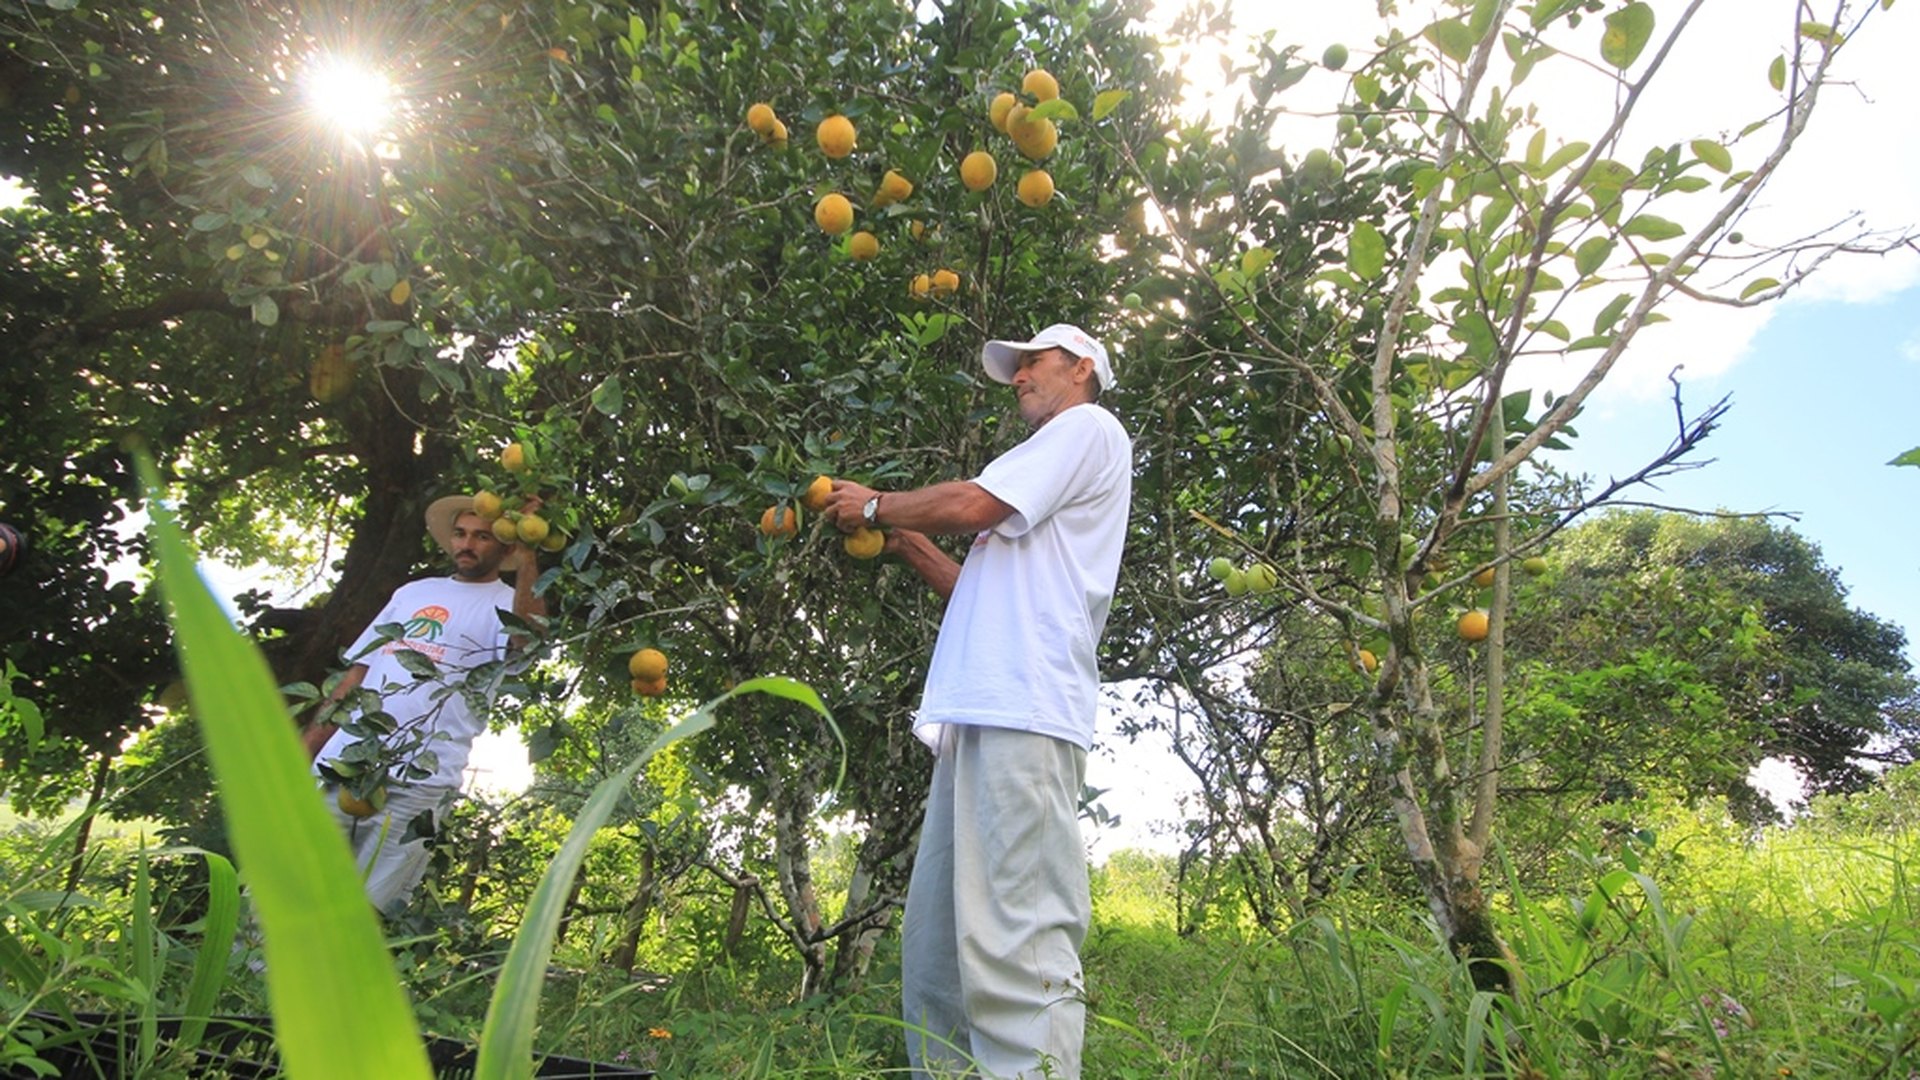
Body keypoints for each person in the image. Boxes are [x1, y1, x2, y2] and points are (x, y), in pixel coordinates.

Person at [822, 323, 1132, 1080]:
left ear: (1081, 368)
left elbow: (972, 503)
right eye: (1016, 367)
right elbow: (975, 588)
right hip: (983, 713)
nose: (1019, 376)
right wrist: (905, 541)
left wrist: (877, 507)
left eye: (1033, 362)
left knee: (1019, 935)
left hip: (1027, 706)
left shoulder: (1088, 427)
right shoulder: (1048, 475)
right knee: (939, 941)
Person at [300, 494, 546, 915]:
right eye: (461, 534)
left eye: (482, 536)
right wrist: (306, 749)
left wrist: (528, 557)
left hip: (421, 783)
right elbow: (355, 677)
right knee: (288, 894)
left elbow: (529, 640)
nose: (467, 544)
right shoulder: (413, 592)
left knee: (368, 915)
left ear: (504, 545)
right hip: (345, 764)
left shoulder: (510, 603)